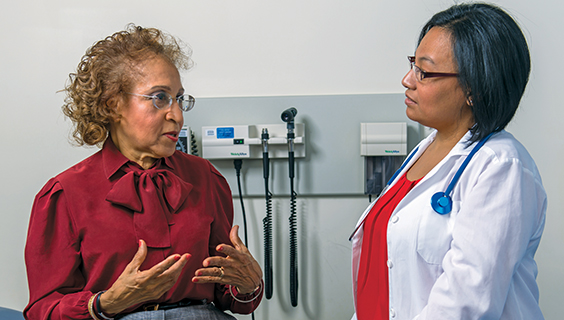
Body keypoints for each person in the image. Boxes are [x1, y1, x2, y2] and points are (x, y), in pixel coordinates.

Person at [24, 25, 263, 320]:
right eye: (159, 97)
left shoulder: (205, 178)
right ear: (113, 105)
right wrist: (104, 303)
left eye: (179, 98)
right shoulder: (64, 193)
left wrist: (247, 285)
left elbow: (228, 294)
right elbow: (42, 311)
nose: (177, 115)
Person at [350, 3, 546, 320]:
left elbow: (464, 304)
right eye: (412, 64)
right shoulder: (424, 151)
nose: (407, 80)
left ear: (473, 89)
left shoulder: (501, 167)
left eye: (423, 72)